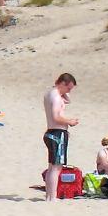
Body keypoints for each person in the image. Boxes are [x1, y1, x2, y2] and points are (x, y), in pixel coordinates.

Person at [42, 72, 79, 200]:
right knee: (56, 167)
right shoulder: (56, 97)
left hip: (51, 132)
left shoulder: (50, 94)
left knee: (52, 166)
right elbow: (56, 117)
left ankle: (49, 196)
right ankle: (52, 197)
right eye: (68, 88)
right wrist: (70, 122)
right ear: (63, 83)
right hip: (57, 133)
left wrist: (64, 91)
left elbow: (68, 100)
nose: (69, 92)